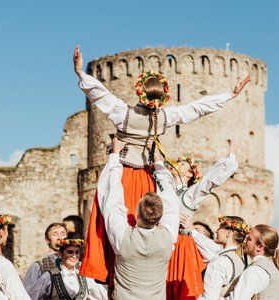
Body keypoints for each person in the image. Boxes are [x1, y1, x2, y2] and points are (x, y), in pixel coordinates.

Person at [73, 46, 251, 288]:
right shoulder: (163, 118)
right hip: (147, 178)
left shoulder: (123, 113)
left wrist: (81, 73)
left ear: (139, 93)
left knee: (113, 220)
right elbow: (197, 109)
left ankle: (110, 271)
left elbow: (100, 95)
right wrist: (229, 95)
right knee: (150, 222)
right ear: (162, 97)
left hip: (123, 175)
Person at [95, 138, 180, 299]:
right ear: (160, 216)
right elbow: (171, 200)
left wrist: (114, 155)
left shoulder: (123, 237)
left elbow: (113, 199)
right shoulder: (168, 238)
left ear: (137, 215)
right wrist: (159, 164)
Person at [165, 141, 239, 299]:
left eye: (183, 164)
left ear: (190, 174)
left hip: (179, 244)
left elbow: (209, 181)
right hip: (162, 240)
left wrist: (230, 158)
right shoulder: (165, 189)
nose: (178, 164)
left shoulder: (190, 195)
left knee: (176, 286)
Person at [183, 216, 250, 299]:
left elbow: (209, 298)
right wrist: (192, 230)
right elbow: (208, 245)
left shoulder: (221, 261)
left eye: (220, 227)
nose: (216, 230)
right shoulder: (242, 260)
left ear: (228, 233)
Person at [28, 239, 108, 300]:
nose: (74, 256)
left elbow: (103, 296)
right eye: (70, 252)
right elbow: (30, 296)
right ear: (61, 254)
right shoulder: (49, 276)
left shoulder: (85, 277)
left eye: (77, 252)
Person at [228, 224, 279, 300]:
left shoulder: (256, 270)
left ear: (260, 247)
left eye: (249, 239)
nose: (245, 240)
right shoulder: (277, 270)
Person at [23, 223, 68, 292]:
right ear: (47, 240)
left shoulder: (76, 265)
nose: (60, 238)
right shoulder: (38, 267)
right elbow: (26, 294)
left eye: (63, 234)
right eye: (55, 234)